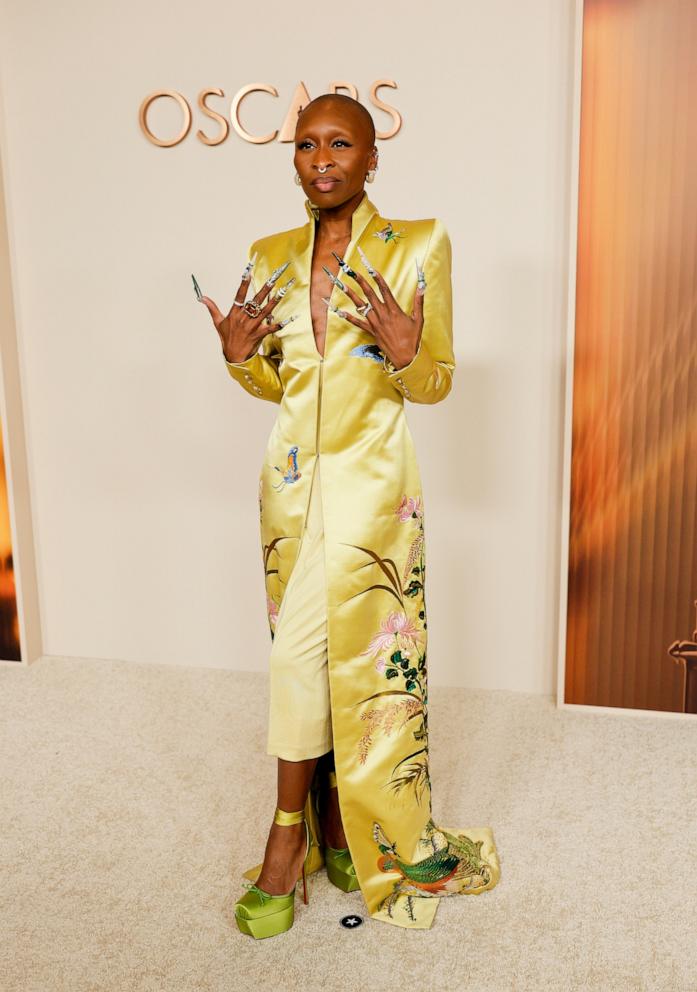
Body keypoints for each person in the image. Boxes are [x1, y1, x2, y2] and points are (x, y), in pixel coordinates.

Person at [196, 93, 501, 938]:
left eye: (340, 143)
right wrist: (237, 361)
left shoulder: (419, 245)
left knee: (358, 673)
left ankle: (298, 836)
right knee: (299, 663)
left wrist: (409, 354)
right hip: (291, 491)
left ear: (373, 159)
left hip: (373, 499)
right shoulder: (269, 254)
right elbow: (277, 380)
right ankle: (311, 828)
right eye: (305, 144)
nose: (320, 157)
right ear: (292, 159)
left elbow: (433, 381)